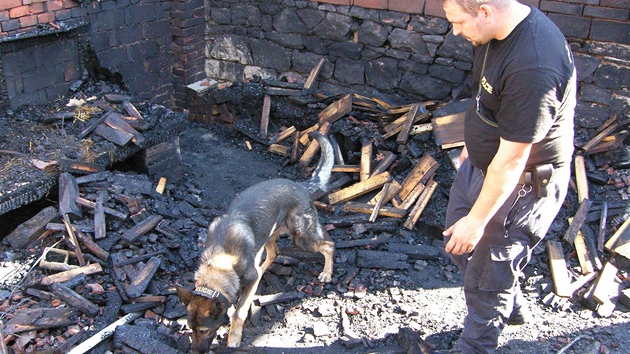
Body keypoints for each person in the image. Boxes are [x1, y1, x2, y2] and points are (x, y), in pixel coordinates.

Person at [440, 0, 577, 353]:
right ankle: (509, 299)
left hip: (520, 185)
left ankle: (476, 343)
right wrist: (474, 144)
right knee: (460, 244)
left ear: (485, 11)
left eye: (458, 22)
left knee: (487, 273)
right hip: (484, 165)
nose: (455, 30)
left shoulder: (533, 65)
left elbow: (514, 159)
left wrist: (479, 220)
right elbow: (488, 96)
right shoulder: (493, 32)